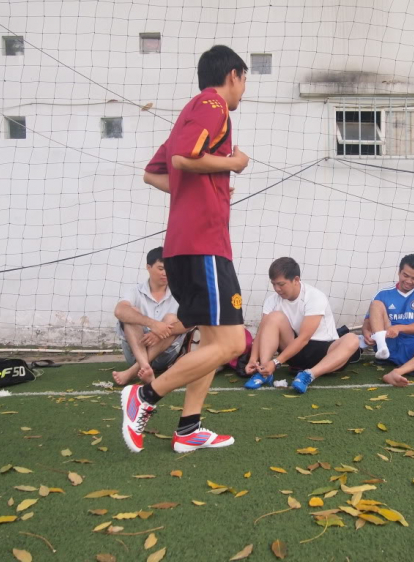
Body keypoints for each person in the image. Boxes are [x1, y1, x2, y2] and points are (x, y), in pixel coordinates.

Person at [121, 45, 249, 454]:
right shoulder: (213, 105)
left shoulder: (188, 112)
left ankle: (190, 427)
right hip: (203, 247)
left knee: (213, 343)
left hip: (188, 246)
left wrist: (199, 191)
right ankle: (145, 396)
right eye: (245, 80)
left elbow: (153, 174)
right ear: (233, 75)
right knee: (233, 345)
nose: (243, 90)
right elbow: (183, 157)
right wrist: (233, 164)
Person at [243, 257, 361, 394]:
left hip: (325, 353)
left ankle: (308, 375)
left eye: (281, 284)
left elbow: (304, 338)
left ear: (296, 280)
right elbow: (261, 333)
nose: (277, 289)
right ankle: (264, 372)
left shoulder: (314, 297)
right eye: (273, 284)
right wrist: (252, 359)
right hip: (295, 351)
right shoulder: (272, 301)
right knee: (273, 317)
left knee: (352, 339)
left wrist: (276, 362)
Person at [361, 254, 414, 387]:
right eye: (405, 275)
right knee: (376, 304)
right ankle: (383, 350)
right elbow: (367, 323)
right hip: (388, 341)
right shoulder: (383, 293)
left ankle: (397, 372)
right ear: (399, 272)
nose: (408, 281)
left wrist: (398, 328)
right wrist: (366, 332)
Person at [112, 246, 188, 386]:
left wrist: (160, 332)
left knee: (171, 318)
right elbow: (119, 311)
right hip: (135, 353)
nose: (166, 273)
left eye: (169, 269)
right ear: (148, 267)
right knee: (131, 312)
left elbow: (189, 323)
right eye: (161, 268)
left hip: (165, 356)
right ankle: (144, 366)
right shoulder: (135, 291)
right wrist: (154, 325)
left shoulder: (179, 292)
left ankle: (135, 370)